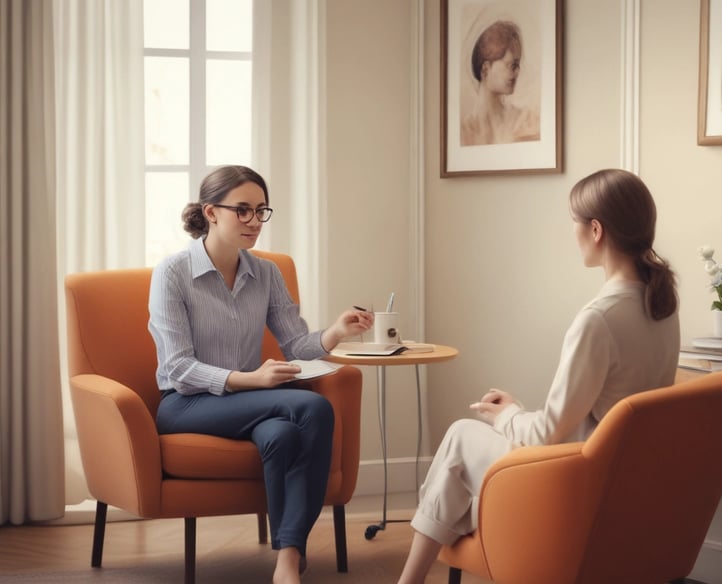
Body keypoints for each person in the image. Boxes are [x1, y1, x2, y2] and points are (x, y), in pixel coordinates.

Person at [396, 168, 680, 584]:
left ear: (596, 230)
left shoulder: (598, 319)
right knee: (466, 456)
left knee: (460, 435)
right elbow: (599, 416)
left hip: (576, 485)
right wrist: (517, 413)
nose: (572, 232)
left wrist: (507, 416)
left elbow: (548, 435)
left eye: (574, 222)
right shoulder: (662, 307)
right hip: (625, 482)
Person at [148, 165, 373, 584]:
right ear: (211, 212)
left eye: (261, 211)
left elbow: (297, 346)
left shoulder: (266, 273)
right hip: (186, 404)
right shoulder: (173, 274)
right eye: (243, 210)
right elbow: (178, 368)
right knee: (313, 408)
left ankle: (287, 557)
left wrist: (337, 331)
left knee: (283, 435)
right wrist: (251, 379)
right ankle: (292, 556)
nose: (254, 221)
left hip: (245, 402)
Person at [460, 19, 541, 146]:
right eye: (512, 65)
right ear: (485, 69)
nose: (517, 72)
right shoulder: (464, 131)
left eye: (517, 65)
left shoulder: (526, 121)